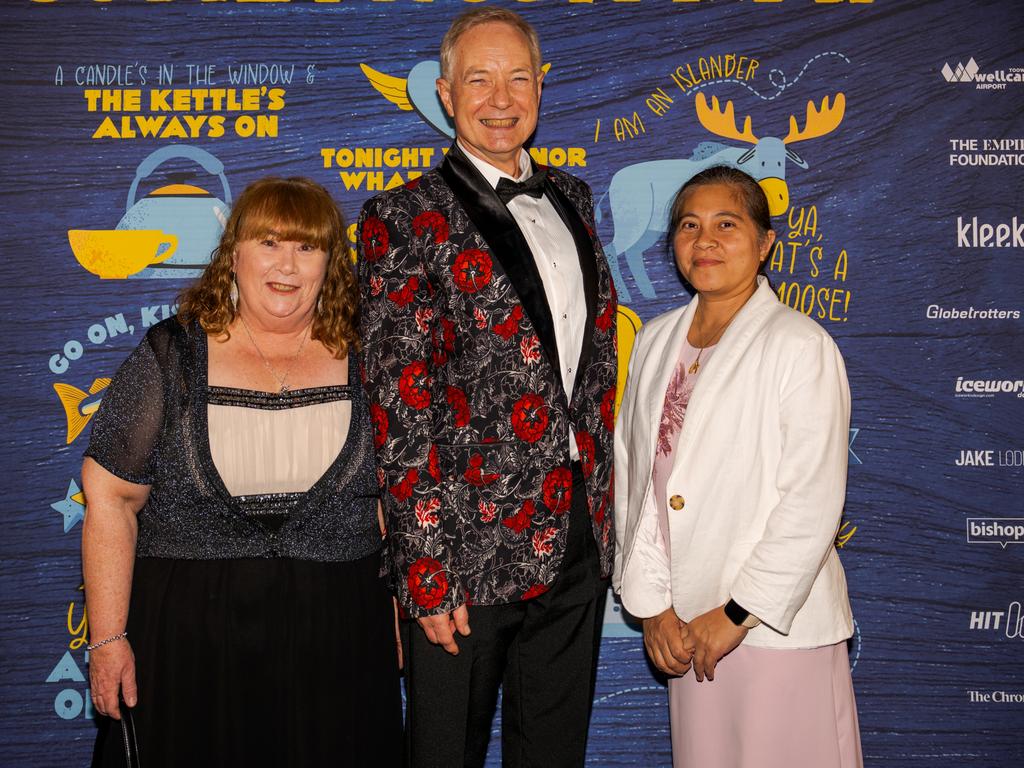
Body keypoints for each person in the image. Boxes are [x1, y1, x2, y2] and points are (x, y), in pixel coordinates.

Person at [356, 7, 618, 767]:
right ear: (445, 94)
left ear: (542, 87)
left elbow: (590, 373)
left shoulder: (574, 199)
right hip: (463, 547)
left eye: (518, 77)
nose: (500, 98)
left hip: (577, 536)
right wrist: (424, 569)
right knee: (444, 753)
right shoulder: (400, 217)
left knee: (554, 751)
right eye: (479, 79)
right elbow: (399, 409)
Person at [82, 177, 403, 767]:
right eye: (269, 242)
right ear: (234, 254)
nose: (287, 264)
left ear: (330, 264)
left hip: (339, 642)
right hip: (187, 645)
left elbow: (394, 502)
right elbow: (109, 498)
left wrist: (400, 615)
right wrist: (107, 638)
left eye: (307, 247)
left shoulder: (373, 360)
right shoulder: (170, 356)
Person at [613, 166, 863, 768]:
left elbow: (810, 502)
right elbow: (636, 480)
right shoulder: (654, 340)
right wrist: (651, 608)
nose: (706, 241)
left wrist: (734, 614)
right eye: (689, 227)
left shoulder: (799, 345)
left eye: (727, 224)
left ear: (765, 242)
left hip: (773, 628)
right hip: (686, 635)